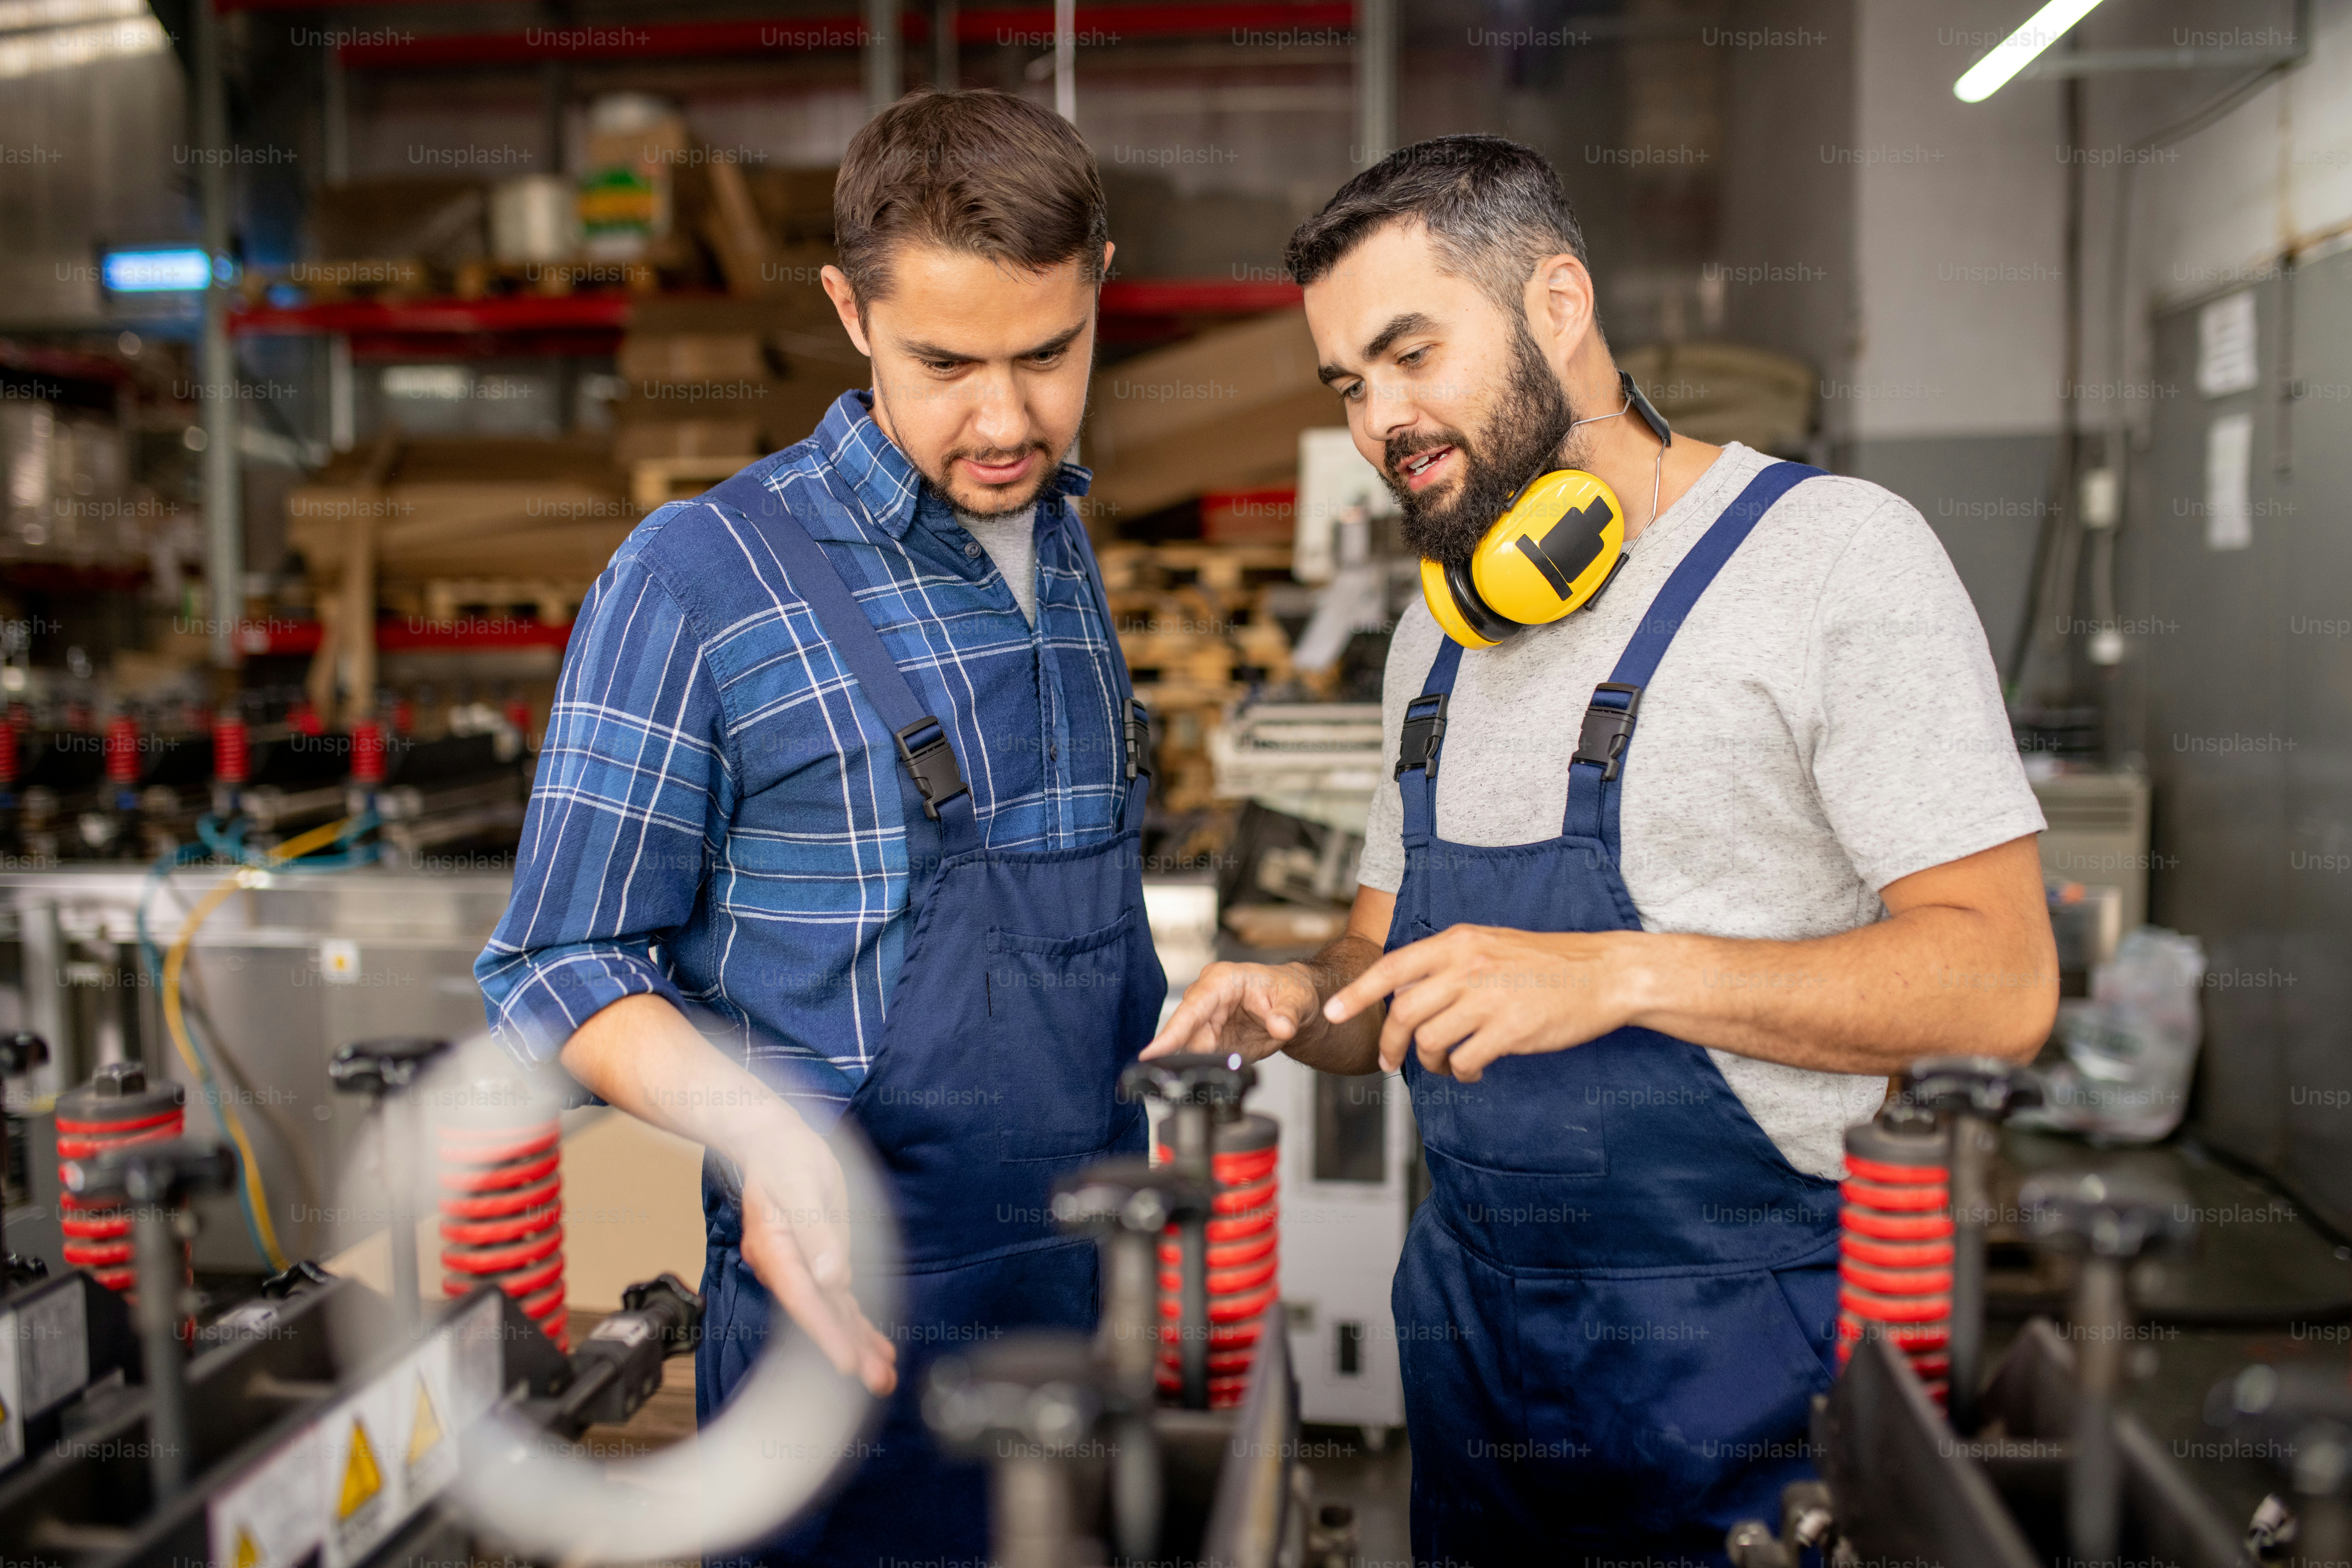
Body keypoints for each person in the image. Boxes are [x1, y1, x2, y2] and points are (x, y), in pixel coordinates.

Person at [1144, 134, 2059, 1563]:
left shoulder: (1834, 561)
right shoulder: (1434, 638)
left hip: (1754, 1354)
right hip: (1477, 1347)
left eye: (1410, 353)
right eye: (1349, 383)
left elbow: (2000, 986)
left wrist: (1624, 974)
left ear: (1557, 303)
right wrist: (1299, 999)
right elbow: (1380, 963)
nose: (1382, 417)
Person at [475, 89, 1163, 1567]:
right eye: (946, 365)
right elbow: (556, 958)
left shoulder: (1063, 540)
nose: (1007, 419)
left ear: (1100, 284)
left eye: (1049, 355)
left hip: (1081, 1303)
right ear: (850, 312)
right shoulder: (700, 577)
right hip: (834, 1312)